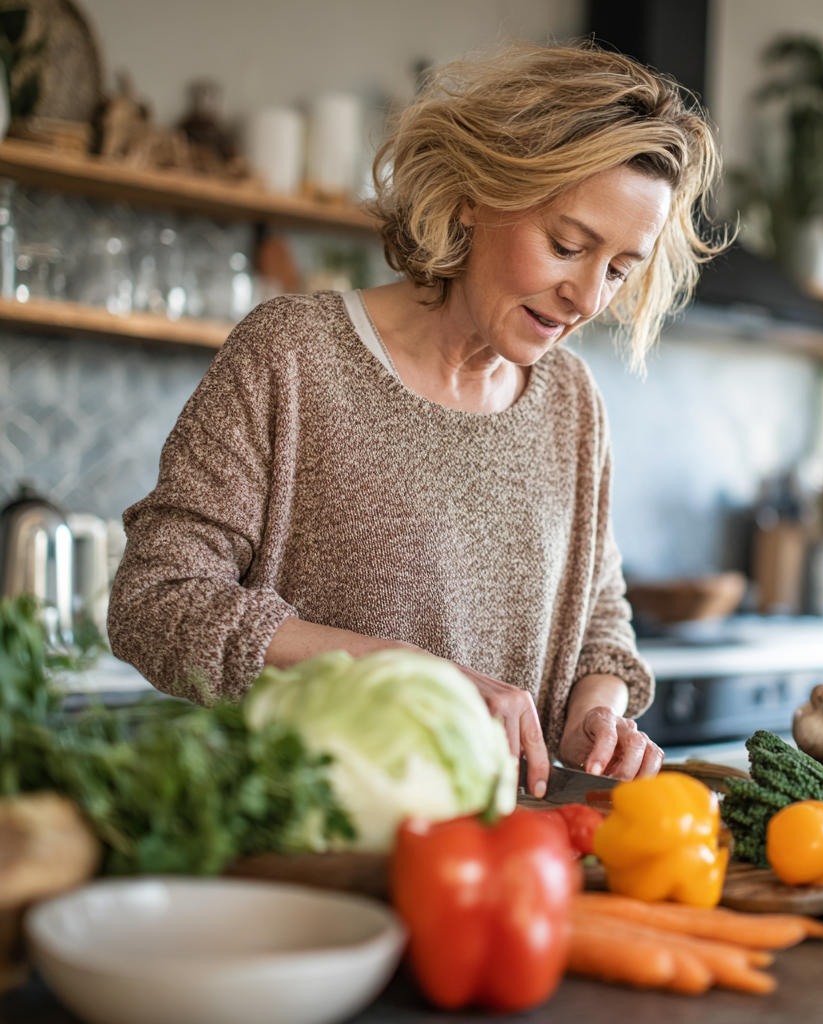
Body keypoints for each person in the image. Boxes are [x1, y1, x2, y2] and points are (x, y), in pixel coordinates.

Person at [108, 41, 720, 798]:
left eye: (620, 268)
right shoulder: (294, 356)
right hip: (312, 840)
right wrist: (408, 676)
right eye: (567, 246)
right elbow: (155, 600)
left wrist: (598, 710)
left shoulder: (571, 401)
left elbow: (596, 612)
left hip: (503, 851)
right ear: (475, 194)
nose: (588, 298)